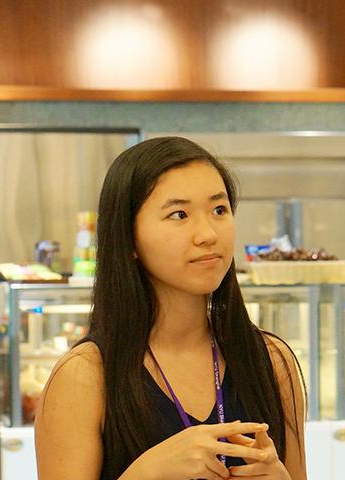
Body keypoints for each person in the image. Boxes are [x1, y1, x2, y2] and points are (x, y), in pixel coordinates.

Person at [35, 137, 307, 480]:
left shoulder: (271, 359)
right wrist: (146, 473)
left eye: (219, 210)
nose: (207, 234)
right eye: (179, 214)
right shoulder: (84, 375)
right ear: (129, 239)